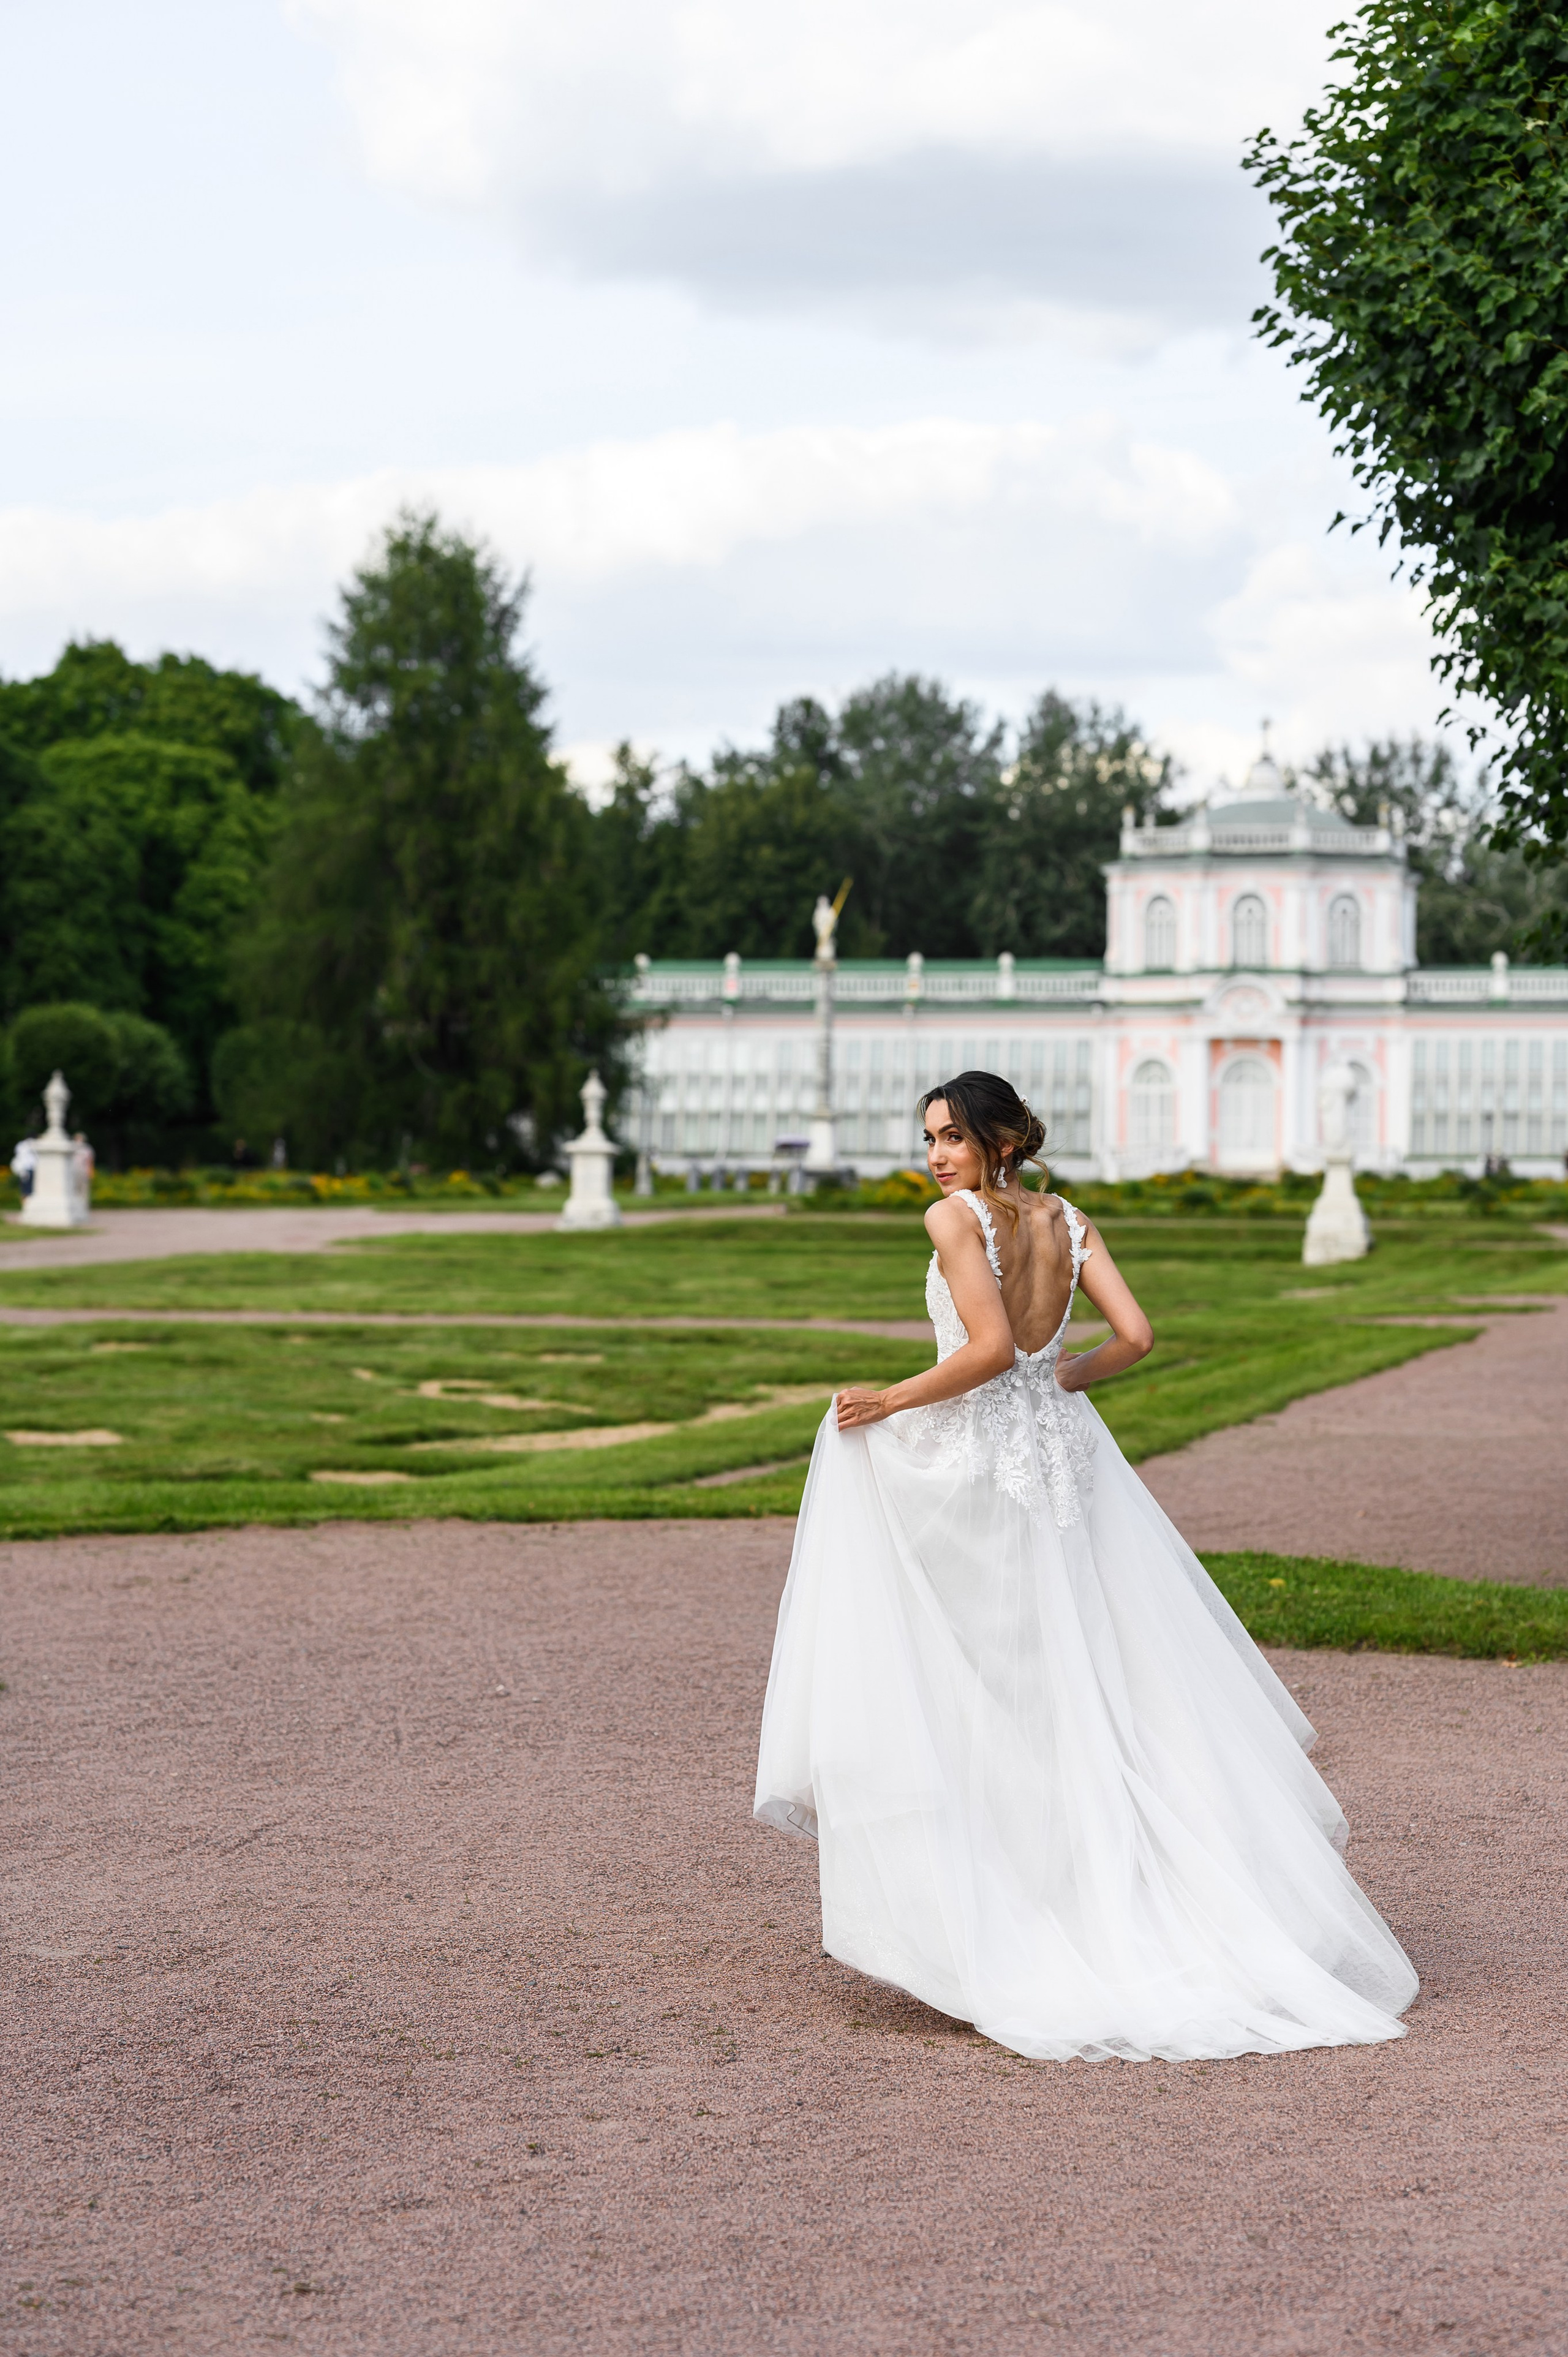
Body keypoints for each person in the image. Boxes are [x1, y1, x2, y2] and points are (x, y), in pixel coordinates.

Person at [755, 1071, 1417, 2062]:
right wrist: (1062, 1376)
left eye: (954, 1136)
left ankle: (1007, 1908)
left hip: (977, 1464)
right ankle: (1100, 1888)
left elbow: (982, 1350)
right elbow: (1137, 1338)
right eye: (929, 1136)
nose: (936, 1153)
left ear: (998, 1140)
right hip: (1061, 1456)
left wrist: (889, 1400)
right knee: (1080, 1676)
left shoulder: (954, 1220)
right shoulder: (1071, 1221)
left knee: (972, 1673)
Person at [10, 1136, 36, 1201]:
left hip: (26, 1168)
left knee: (25, 1189)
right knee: (28, 1189)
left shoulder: (21, 1145)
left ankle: (26, 1205)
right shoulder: (34, 1144)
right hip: (29, 1168)